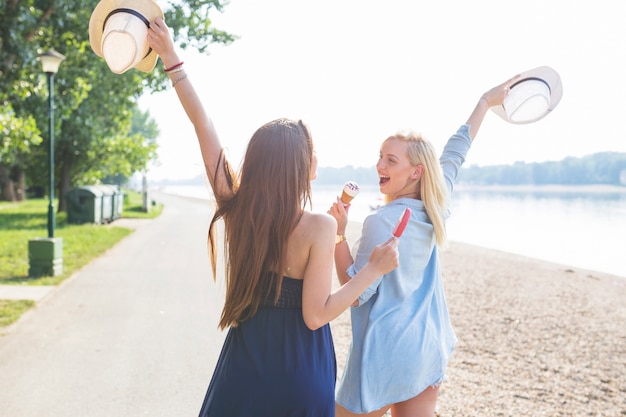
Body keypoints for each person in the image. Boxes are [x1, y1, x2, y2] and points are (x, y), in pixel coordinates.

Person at [147, 18, 400, 417]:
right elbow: (316, 315)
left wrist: (171, 58)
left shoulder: (238, 209)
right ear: (300, 164)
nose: (317, 157)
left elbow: (203, 126)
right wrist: (374, 270)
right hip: (299, 370)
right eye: (312, 151)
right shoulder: (319, 226)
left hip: (244, 366)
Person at [327, 75, 521, 417]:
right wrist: (483, 104)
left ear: (416, 172)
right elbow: (454, 156)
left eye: (391, 160)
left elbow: (356, 290)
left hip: (386, 353)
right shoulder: (436, 203)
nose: (379, 166)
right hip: (428, 348)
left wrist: (338, 235)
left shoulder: (383, 221)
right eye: (381, 157)